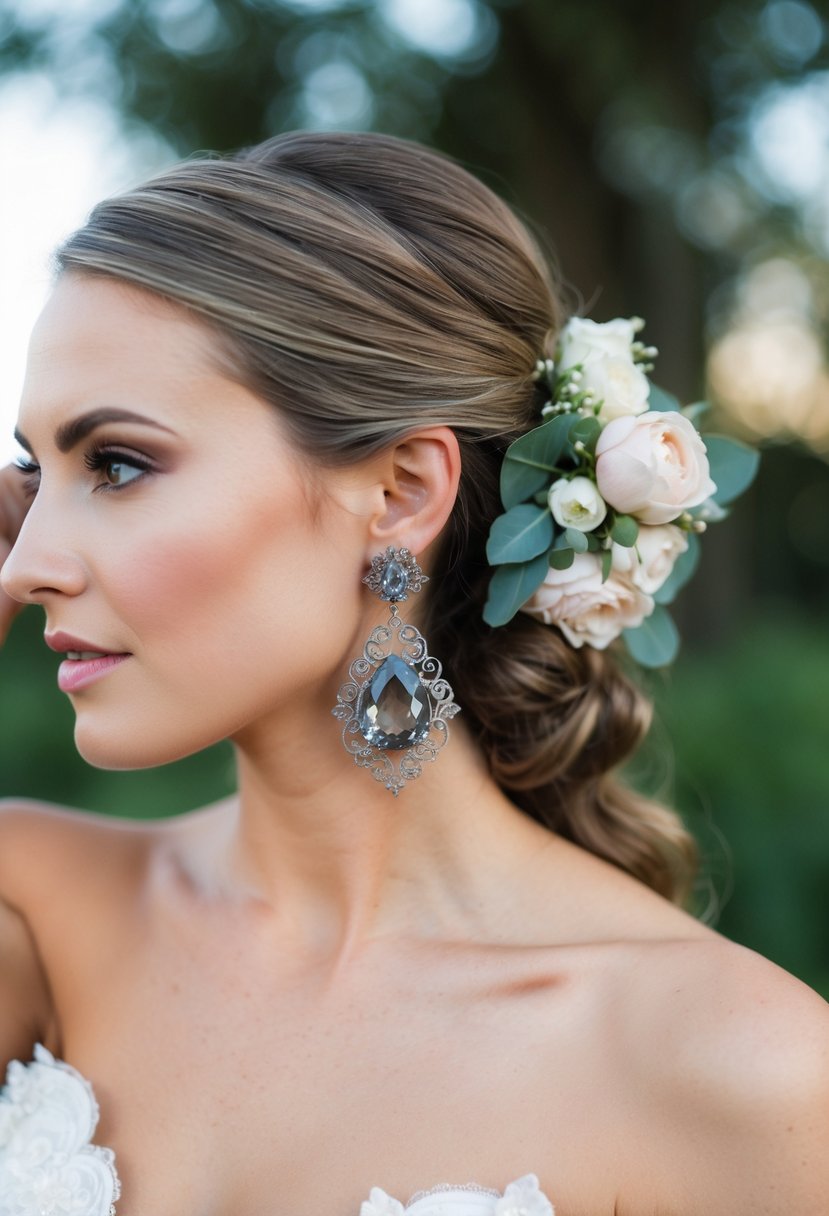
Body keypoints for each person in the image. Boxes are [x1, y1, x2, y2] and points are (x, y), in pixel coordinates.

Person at [0, 130, 826, 1216]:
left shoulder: (736, 1071)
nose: (30, 560)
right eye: (31, 471)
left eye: (115, 464)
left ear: (397, 493)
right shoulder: (39, 908)